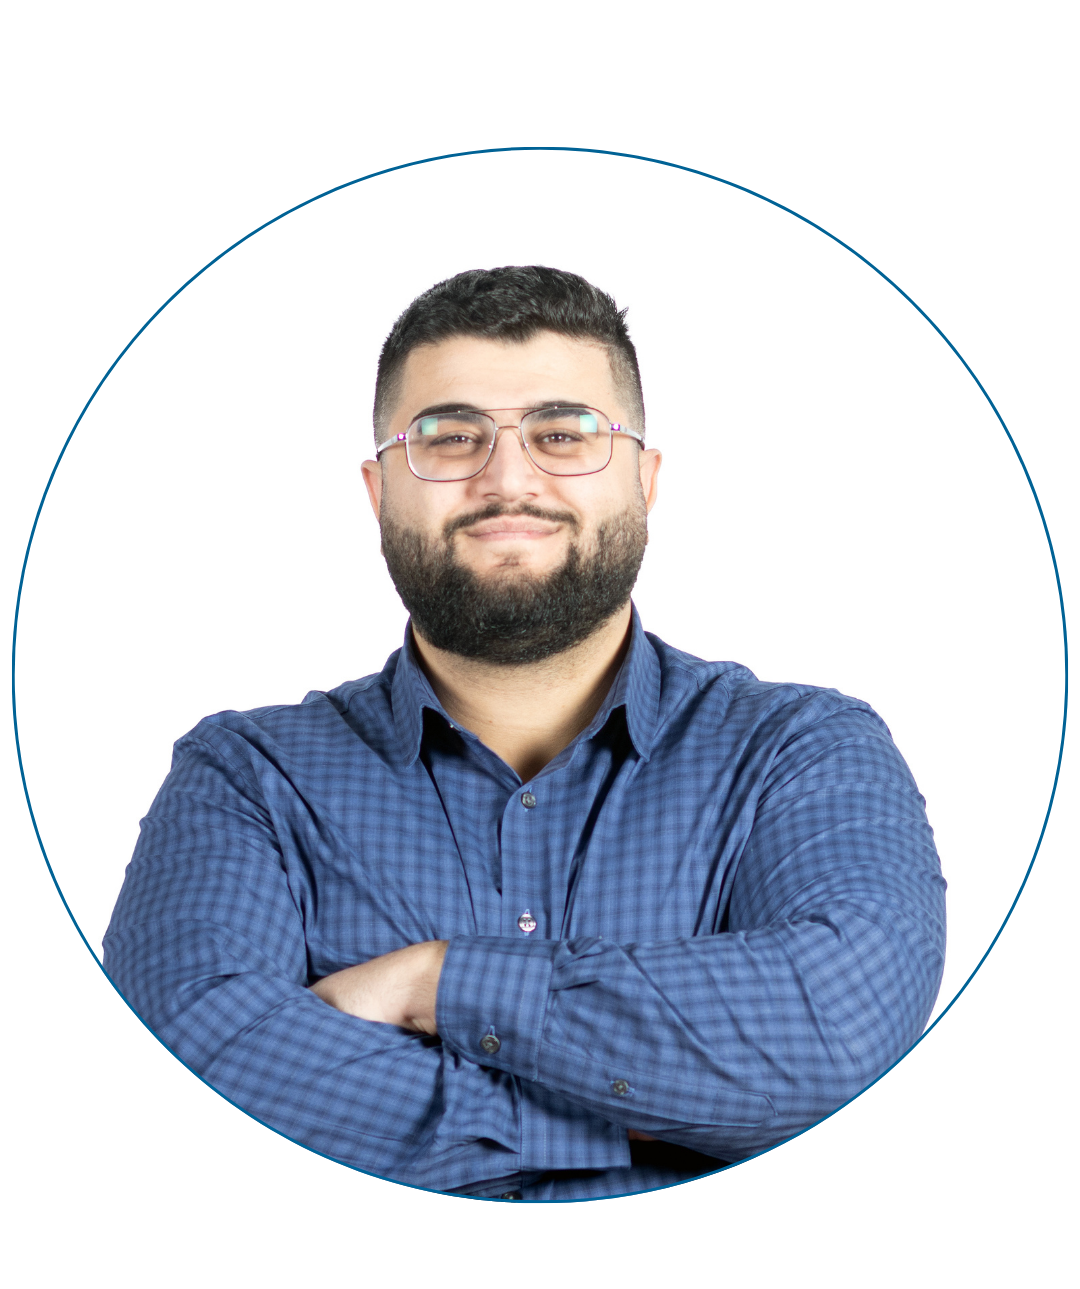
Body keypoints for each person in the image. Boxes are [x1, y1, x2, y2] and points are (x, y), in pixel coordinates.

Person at [104, 265, 947, 1202]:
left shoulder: (803, 751)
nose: (508, 479)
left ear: (646, 480)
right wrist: (655, 1113)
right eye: (450, 436)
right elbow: (191, 1072)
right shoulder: (247, 780)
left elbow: (840, 1035)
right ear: (379, 490)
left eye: (564, 433)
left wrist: (435, 984)